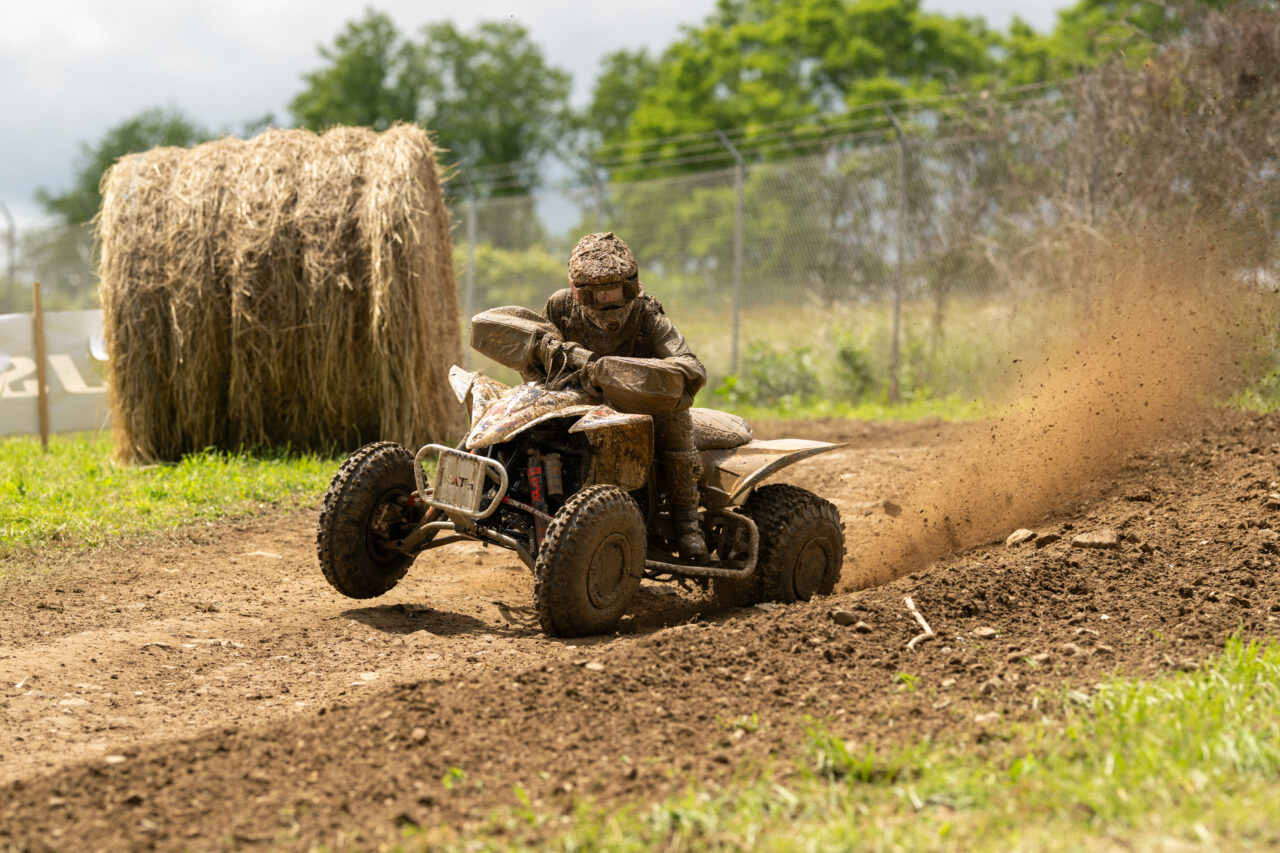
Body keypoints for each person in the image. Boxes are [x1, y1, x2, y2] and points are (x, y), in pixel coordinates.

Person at [529, 232, 709, 560]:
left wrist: (653, 376)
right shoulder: (559, 306)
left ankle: (686, 522)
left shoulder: (646, 312)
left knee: (675, 414)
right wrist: (564, 366)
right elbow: (536, 354)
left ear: (634, 286)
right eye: (599, 295)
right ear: (578, 292)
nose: (611, 302)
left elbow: (690, 367)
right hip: (577, 395)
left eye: (619, 291)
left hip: (638, 400)